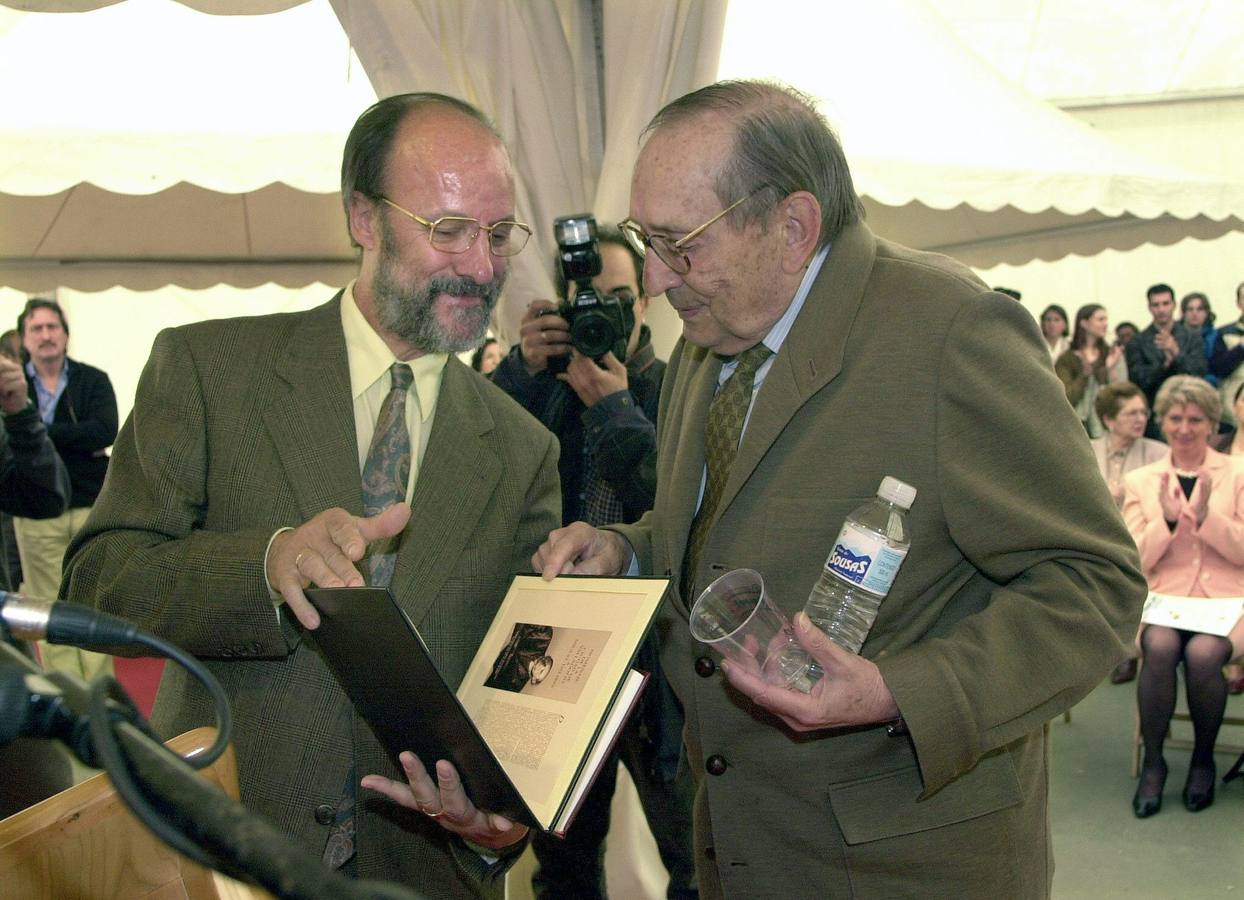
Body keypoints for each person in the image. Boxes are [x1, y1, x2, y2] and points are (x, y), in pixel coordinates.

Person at [534, 80, 1144, 899]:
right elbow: (713, 536)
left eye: (680, 243)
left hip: (901, 862)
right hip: (742, 846)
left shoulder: (949, 333)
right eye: (648, 239)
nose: (652, 277)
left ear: (792, 228)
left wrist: (898, 691)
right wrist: (625, 547)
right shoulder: (708, 337)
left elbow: (1097, 587)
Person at [61, 93, 561, 896]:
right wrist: (266, 566)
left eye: (499, 234)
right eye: (449, 230)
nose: (481, 265)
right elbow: (100, 583)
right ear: (364, 218)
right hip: (221, 858)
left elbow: (513, 690)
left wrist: (498, 818)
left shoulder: (526, 449)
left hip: (425, 875)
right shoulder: (208, 371)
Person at [491, 226, 696, 900]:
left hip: (657, 654)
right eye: (588, 300)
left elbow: (678, 514)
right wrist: (520, 371)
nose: (603, 314)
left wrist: (613, 410)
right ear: (562, 305)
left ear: (644, 303)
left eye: (619, 297)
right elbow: (484, 466)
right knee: (565, 863)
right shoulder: (540, 385)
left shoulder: (678, 389)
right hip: (561, 652)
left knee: (693, 855)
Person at [1122, 375, 1244, 816]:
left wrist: (1209, 518)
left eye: (1196, 419)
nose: (1185, 427)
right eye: (1176, 418)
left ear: (1212, 423)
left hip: (1229, 601)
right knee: (1159, 645)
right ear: (1162, 421)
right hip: (1166, 598)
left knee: (1205, 655)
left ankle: (1202, 759)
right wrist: (1168, 524)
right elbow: (1135, 558)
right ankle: (1154, 763)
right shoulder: (1141, 480)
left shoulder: (1238, 472)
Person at [15, 298, 117, 681]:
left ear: (66, 335)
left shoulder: (93, 380)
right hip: (35, 513)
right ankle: (67, 690)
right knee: (46, 604)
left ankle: (100, 693)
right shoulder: (13, 386)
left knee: (94, 595)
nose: (45, 336)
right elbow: (9, 445)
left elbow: (105, 430)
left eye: (52, 327)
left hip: (90, 505)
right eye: (36, 329)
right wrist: (77, 440)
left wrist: (38, 435)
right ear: (24, 339)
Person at [1090, 382, 1167, 685]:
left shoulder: (1159, 453)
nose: (1140, 419)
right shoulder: (1086, 449)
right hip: (1096, 539)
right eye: (1131, 413)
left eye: (1143, 412)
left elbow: (1164, 507)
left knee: (1132, 567)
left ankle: (1125, 648)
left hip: (1143, 540)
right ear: (1109, 420)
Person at [1126, 283, 1207, 437]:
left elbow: (1199, 373)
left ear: (1174, 305)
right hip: (1155, 414)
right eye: (1156, 305)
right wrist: (1164, 365)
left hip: (1190, 410)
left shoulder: (1192, 337)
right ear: (1149, 307)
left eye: (1165, 303)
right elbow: (1137, 380)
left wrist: (1176, 353)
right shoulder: (1138, 341)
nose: (1161, 309)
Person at [1054, 303, 1126, 437]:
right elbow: (1066, 396)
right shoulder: (1067, 358)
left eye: (1106, 319)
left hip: (1107, 426)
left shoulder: (1112, 353)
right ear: (1084, 323)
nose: (1105, 324)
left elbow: (1122, 391)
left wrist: (1108, 369)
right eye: (1100, 319)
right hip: (1076, 427)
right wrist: (1086, 375)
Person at [1209, 280, 1244, 427]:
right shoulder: (1225, 333)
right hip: (1232, 414)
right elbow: (1217, 369)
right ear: (1238, 303)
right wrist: (1240, 348)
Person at [1179, 291, 1217, 386]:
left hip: (1207, 385)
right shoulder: (1174, 335)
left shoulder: (1215, 336)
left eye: (1199, 309)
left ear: (1206, 313)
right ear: (1183, 313)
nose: (1194, 313)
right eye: (1190, 309)